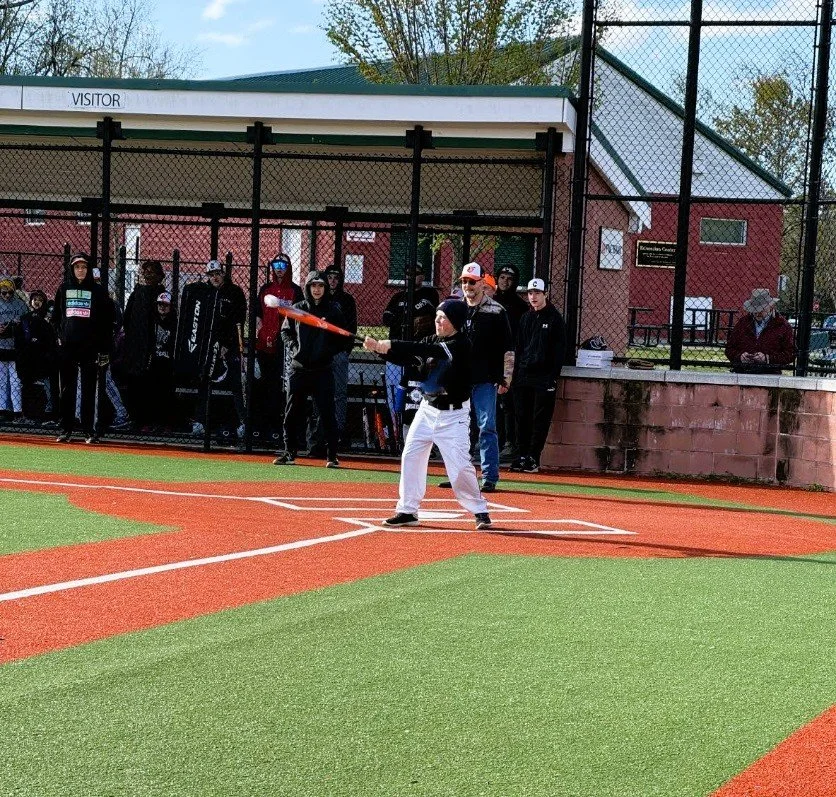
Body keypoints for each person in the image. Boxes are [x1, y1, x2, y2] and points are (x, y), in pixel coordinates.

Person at [363, 299, 492, 530]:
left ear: (456, 322)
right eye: (437, 317)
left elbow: (425, 350)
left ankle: (480, 510)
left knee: (460, 466)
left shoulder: (461, 344)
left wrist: (390, 342)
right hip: (427, 409)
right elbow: (410, 359)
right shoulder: (431, 339)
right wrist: (381, 351)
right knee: (411, 455)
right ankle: (407, 510)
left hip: (454, 416)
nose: (438, 321)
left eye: (444, 317)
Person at [440, 262, 513, 493]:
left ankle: (489, 476)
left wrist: (506, 377)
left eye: (472, 281)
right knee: (456, 427)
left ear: (482, 282)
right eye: (464, 281)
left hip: (485, 379)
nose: (468, 286)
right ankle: (457, 475)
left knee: (486, 426)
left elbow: (508, 348)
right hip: (459, 378)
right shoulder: (455, 309)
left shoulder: (497, 311)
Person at [275, 270, 346, 468]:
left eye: (321, 286)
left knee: (327, 413)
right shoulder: (298, 309)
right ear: (307, 287)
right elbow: (286, 332)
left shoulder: (333, 310)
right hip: (299, 369)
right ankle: (289, 452)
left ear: (325, 288)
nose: (317, 289)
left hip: (323, 369)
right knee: (292, 411)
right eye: (313, 285)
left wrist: (328, 351)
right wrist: (294, 347)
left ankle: (332, 455)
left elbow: (341, 338)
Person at [52, 252, 113, 443]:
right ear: (72, 269)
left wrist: (103, 347)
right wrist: (60, 337)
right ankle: (66, 429)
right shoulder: (63, 288)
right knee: (67, 389)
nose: (81, 270)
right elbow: (56, 317)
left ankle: (88, 430)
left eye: (84, 267)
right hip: (68, 347)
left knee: (89, 389)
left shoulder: (98, 291)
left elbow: (107, 320)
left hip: (90, 347)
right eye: (77, 267)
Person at [510, 278, 566, 474]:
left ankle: (533, 457)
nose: (533, 297)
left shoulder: (554, 319)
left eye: (537, 293)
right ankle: (521, 455)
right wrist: (514, 374)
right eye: (530, 293)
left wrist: (552, 377)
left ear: (545, 294)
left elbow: (558, 352)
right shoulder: (525, 318)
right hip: (523, 375)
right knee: (521, 416)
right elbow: (518, 347)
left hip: (543, 377)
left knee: (539, 418)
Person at [191, 260, 247, 440]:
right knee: (204, 380)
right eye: (210, 274)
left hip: (229, 346)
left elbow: (238, 320)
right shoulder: (205, 293)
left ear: (223, 273)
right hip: (207, 346)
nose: (214, 277)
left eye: (217, 273)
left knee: (237, 383)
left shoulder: (235, 292)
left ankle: (243, 422)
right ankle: (200, 421)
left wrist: (227, 344)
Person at [381, 267, 440, 426]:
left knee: (417, 393)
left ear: (423, 276)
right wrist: (406, 319)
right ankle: (395, 429)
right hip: (396, 351)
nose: (411, 278)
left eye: (416, 274)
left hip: (418, 355)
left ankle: (417, 427)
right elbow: (386, 319)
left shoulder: (430, 294)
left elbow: (431, 316)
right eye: (408, 274)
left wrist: (406, 317)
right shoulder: (398, 296)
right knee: (394, 391)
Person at [254, 253, 303, 440]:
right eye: (276, 264)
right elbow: (258, 315)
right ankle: (263, 426)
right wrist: (262, 333)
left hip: (285, 347)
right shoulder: (265, 289)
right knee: (266, 385)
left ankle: (280, 428)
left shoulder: (295, 291)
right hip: (265, 346)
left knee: (282, 387)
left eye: (283, 264)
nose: (279, 268)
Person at [121, 259, 166, 427]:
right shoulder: (137, 293)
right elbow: (127, 319)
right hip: (136, 347)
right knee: (134, 382)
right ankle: (135, 418)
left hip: (154, 348)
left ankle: (151, 419)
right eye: (145, 272)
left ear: (159, 276)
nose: (148, 276)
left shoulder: (161, 295)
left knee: (152, 383)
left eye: (152, 272)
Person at [318, 263, 357, 450]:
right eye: (330, 277)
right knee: (320, 392)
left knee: (339, 393)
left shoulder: (347, 300)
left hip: (339, 352)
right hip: (322, 353)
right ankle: (320, 432)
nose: (332, 281)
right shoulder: (320, 298)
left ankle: (339, 429)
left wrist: (345, 350)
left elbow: (352, 328)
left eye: (336, 277)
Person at [494, 264, 529, 460]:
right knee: (486, 402)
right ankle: (482, 441)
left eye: (510, 278)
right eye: (502, 277)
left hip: (510, 360)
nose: (505, 281)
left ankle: (509, 442)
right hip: (490, 358)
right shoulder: (489, 301)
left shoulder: (521, 307)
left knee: (508, 403)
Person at [725, 288, 796, 374]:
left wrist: (767, 359)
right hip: (743, 371)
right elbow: (729, 349)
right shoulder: (742, 323)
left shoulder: (782, 325)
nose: (757, 312)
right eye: (754, 309)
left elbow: (790, 354)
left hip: (770, 373)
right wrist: (740, 357)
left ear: (771, 306)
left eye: (761, 309)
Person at [14, 289, 59, 422]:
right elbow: (20, 340)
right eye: (35, 300)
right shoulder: (25, 319)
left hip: (45, 359)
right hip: (29, 359)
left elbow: (50, 340)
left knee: (48, 385)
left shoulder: (48, 318)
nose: (37, 302)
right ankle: (28, 414)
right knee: (27, 385)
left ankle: (50, 412)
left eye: (40, 300)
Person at [146, 291, 178, 430]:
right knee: (151, 392)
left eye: (165, 305)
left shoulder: (175, 322)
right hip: (154, 362)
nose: (162, 307)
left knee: (167, 393)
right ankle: (152, 422)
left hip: (168, 363)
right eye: (160, 304)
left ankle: (167, 423)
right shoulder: (151, 321)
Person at [0, 277, 28, 420]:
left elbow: (27, 324)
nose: (7, 296)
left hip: (16, 346)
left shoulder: (20, 305)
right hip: (1, 346)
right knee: (1, 380)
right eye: (4, 293)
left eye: (10, 293)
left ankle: (17, 411)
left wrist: (17, 325)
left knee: (16, 381)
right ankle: (2, 410)